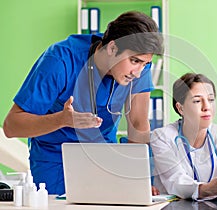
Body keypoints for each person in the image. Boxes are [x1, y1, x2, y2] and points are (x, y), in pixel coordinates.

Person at [3, 11, 163, 195]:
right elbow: (11, 126)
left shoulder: (140, 68)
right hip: (56, 159)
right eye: (135, 61)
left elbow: (138, 123)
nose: (138, 72)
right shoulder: (60, 61)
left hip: (104, 155)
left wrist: (139, 178)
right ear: (112, 48)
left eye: (145, 64)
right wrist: (62, 120)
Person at [150, 73, 217, 200]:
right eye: (197, 101)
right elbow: (175, 182)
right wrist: (207, 189)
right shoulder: (162, 137)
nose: (207, 107)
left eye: (211, 100)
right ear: (180, 108)